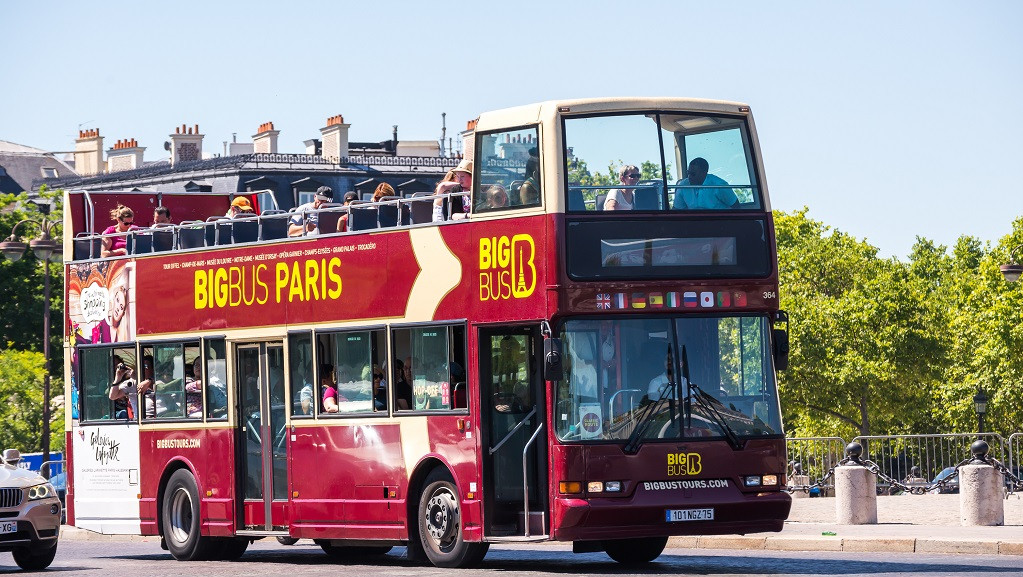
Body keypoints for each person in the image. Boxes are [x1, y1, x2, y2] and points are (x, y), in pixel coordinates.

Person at [671, 157, 738, 210]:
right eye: (688, 173)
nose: (689, 177)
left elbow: (736, 206)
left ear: (704, 173)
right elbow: (676, 210)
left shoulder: (719, 185)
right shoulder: (683, 186)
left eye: (693, 174)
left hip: (719, 220)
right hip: (694, 221)